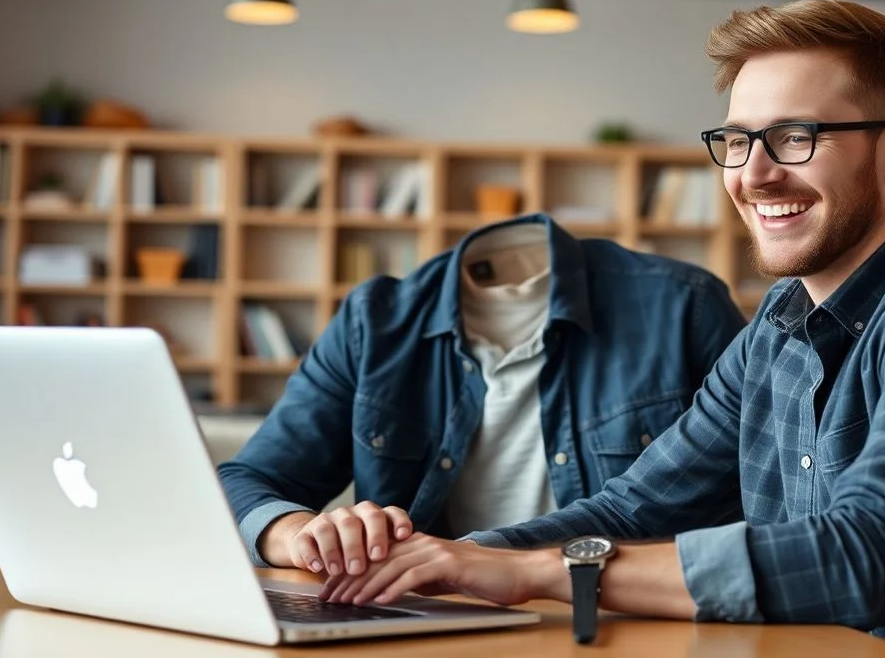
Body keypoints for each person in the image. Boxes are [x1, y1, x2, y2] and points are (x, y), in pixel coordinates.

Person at [317, 0, 885, 658]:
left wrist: (540, 573)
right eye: (737, 141)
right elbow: (632, 508)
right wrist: (443, 559)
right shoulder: (777, 333)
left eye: (797, 138)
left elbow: (865, 554)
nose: (753, 174)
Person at [217, 212, 748, 579]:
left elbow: (764, 498)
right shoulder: (374, 324)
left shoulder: (683, 307)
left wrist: (482, 558)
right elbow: (246, 479)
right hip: (427, 614)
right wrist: (299, 536)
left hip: (625, 615)